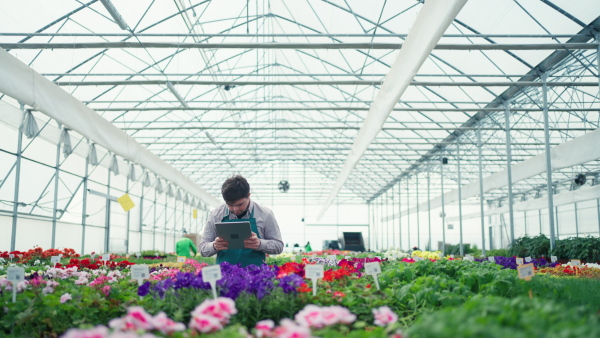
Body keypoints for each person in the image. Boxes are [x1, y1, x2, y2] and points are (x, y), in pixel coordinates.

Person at [200, 175, 283, 266]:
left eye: (240, 204)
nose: (235, 209)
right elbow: (203, 249)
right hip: (225, 276)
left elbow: (278, 246)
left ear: (248, 195)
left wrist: (259, 244)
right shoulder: (215, 215)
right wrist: (214, 246)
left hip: (255, 276)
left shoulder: (265, 214)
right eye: (230, 205)